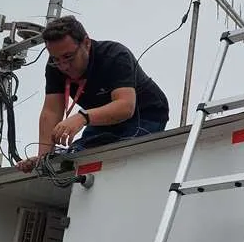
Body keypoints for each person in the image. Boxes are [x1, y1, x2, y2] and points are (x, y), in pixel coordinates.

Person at [16, 16, 169, 172]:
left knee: (121, 156)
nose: (63, 66)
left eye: (69, 57)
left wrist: (82, 117)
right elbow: (51, 111)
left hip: (144, 114)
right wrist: (44, 158)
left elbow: (125, 106)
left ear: (86, 43)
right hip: (100, 119)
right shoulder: (55, 66)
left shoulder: (114, 55)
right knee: (77, 156)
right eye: (56, 59)